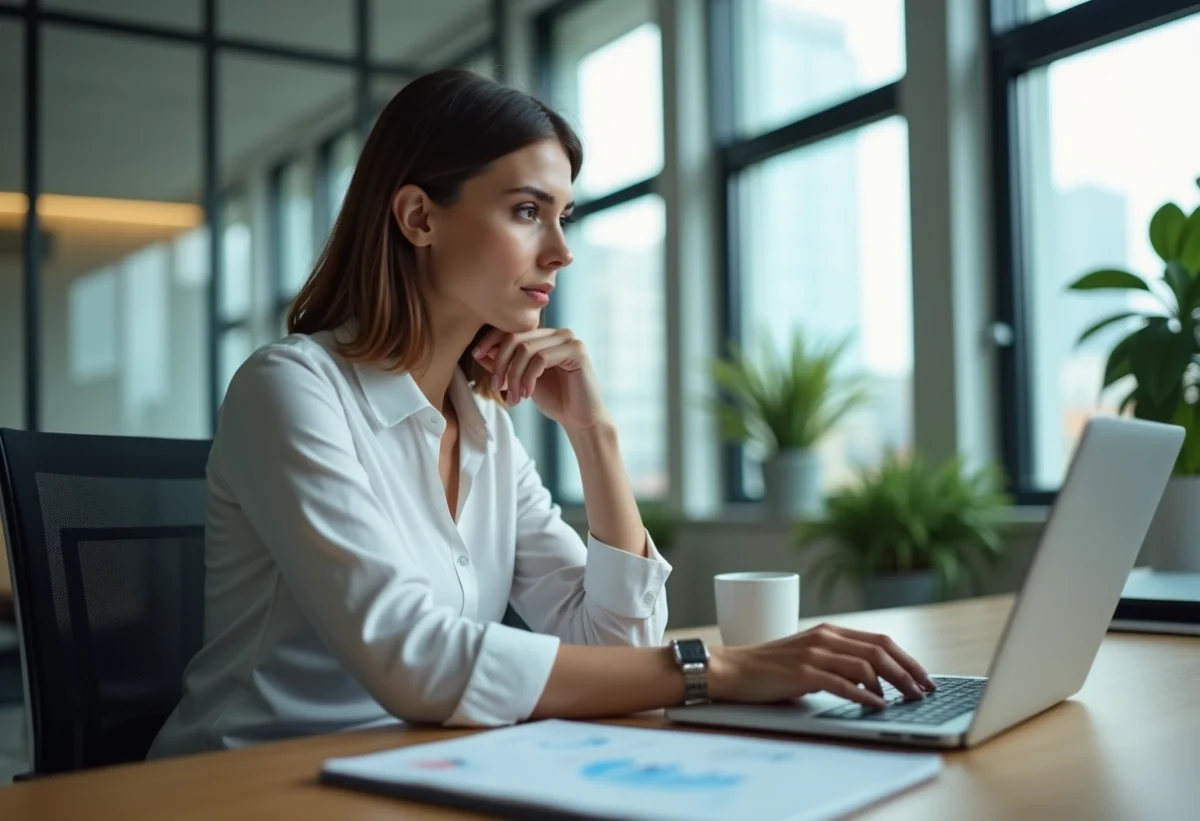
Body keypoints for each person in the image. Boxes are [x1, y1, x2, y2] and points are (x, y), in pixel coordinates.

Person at [148, 69, 934, 759]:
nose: (561, 251)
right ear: (418, 218)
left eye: (562, 216)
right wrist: (719, 667)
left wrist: (596, 436)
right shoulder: (290, 389)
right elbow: (414, 660)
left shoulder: (485, 425)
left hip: (416, 766)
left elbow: (616, 645)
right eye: (528, 211)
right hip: (252, 778)